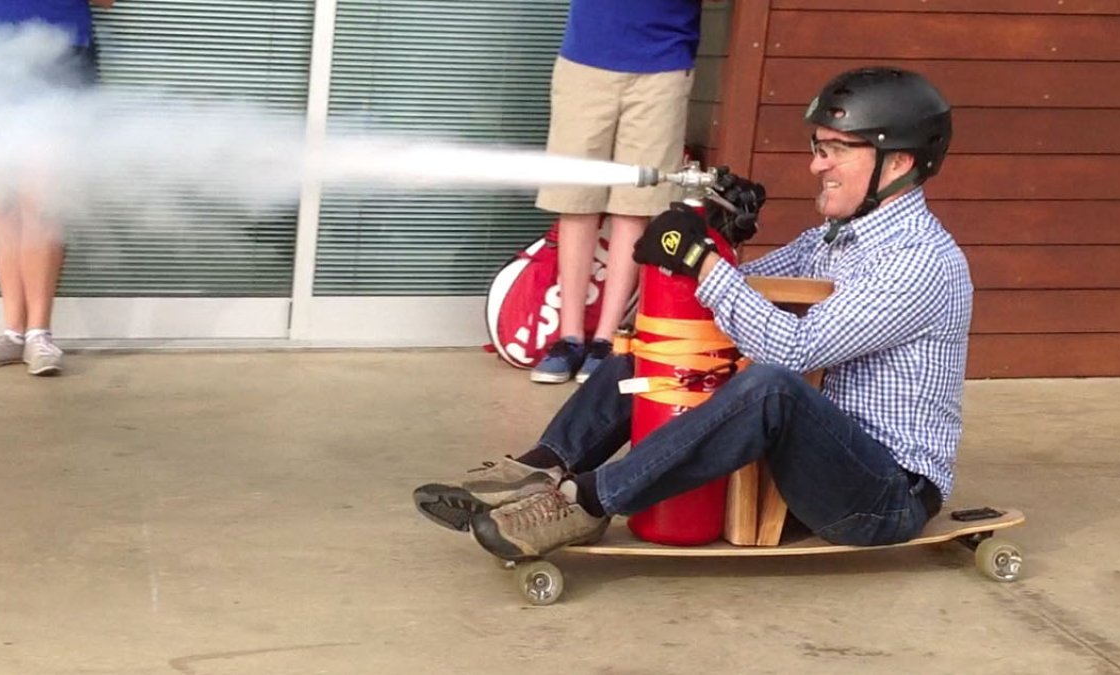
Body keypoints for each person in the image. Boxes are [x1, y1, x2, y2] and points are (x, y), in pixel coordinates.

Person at [414, 66, 972, 561]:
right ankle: (541, 469)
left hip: (882, 496)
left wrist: (703, 262)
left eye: (835, 150)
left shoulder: (920, 261)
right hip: (814, 464)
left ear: (898, 161)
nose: (814, 165)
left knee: (772, 388)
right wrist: (723, 237)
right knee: (650, 356)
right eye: (817, 147)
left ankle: (581, 503)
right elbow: (741, 294)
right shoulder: (835, 240)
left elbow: (793, 350)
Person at [530, 0, 705, 385]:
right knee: (576, 202)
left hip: (664, 65)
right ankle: (569, 338)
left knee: (635, 205)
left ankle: (607, 342)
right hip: (585, 61)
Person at [0, 0, 113, 377]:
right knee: (2, 196)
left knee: (43, 192)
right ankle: (12, 333)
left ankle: (39, 333)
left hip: (58, 46)